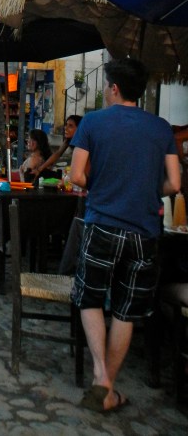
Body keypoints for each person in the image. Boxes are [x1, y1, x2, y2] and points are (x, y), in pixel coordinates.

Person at [69, 58, 181, 413]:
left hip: (102, 223)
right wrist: (148, 192)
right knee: (126, 311)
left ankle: (101, 376)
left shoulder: (94, 122)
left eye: (106, 85)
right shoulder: (161, 127)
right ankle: (109, 386)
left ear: (114, 88)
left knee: (89, 299)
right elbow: (175, 184)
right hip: (144, 230)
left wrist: (99, 185)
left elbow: (76, 176)